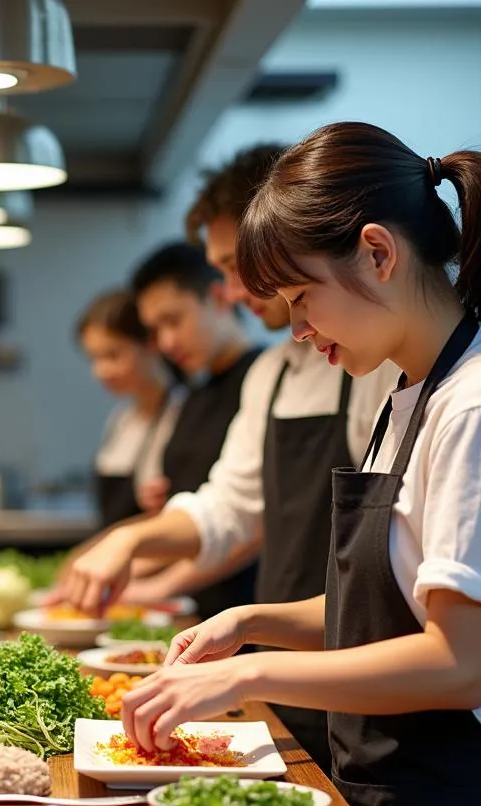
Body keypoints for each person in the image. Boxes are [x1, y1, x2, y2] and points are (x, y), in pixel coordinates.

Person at [118, 122, 481, 806]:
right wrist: (251, 624)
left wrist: (251, 678)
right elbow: (385, 608)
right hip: (388, 794)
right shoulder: (410, 395)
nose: (297, 332)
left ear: (378, 254)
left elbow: (459, 661)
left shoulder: (471, 407)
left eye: (303, 299)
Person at [62, 144, 397, 769]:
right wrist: (131, 541)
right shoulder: (270, 372)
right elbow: (230, 508)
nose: (235, 290)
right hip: (286, 674)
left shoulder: (382, 368)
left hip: (366, 687)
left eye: (241, 267)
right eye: (223, 269)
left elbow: (417, 615)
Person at [129, 243, 261, 619]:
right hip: (189, 612)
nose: (166, 343)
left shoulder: (262, 376)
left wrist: (158, 585)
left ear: (218, 296)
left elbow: (250, 519)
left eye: (174, 321)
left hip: (240, 609)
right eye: (156, 330)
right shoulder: (194, 393)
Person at [77, 288, 183, 527]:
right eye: (93, 358)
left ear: (150, 344)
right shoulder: (121, 419)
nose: (101, 371)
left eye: (112, 355)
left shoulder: (183, 413)